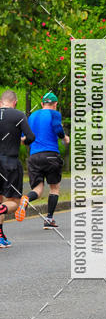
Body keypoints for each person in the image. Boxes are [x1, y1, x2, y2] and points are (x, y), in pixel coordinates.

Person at [15, 92, 69, 228]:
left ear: (42, 104)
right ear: (55, 104)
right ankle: (49, 219)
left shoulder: (32, 116)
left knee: (38, 189)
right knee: (54, 188)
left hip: (34, 157)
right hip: (51, 155)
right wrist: (65, 138)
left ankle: (26, 199)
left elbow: (25, 139)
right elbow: (58, 129)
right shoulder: (54, 114)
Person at [0, 90, 36, 246]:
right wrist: (22, 140)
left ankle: (0, 237)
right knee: (14, 203)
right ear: (14, 102)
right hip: (10, 163)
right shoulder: (18, 115)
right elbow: (31, 137)